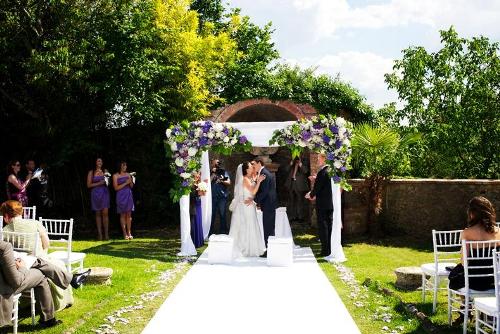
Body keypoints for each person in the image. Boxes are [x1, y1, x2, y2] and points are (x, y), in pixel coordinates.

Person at [0, 200, 74, 311]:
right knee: (55, 264)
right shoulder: (35, 223)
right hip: (37, 261)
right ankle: (62, 301)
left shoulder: (4, 231)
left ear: (6, 216)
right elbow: (46, 244)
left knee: (44, 267)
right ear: (22, 212)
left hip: (16, 266)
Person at [0, 240, 90, 329]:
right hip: (5, 287)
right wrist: (22, 268)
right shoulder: (4, 247)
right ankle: (48, 319)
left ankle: (70, 279)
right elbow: (16, 281)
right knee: (41, 274)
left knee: (36, 265)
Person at [229, 162, 266, 257]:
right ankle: (245, 248)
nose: (252, 168)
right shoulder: (245, 179)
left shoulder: (249, 178)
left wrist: (256, 180)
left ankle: (251, 247)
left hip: (249, 205)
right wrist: (259, 181)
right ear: (246, 170)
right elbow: (253, 191)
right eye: (250, 167)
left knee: (251, 224)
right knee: (247, 225)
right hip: (246, 207)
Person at [305, 153, 333, 257]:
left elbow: (317, 188)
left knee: (323, 226)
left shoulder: (322, 172)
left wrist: (311, 195)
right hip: (329, 203)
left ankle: (325, 250)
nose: (317, 160)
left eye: (318, 158)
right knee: (329, 225)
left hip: (323, 204)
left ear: (324, 159)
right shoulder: (330, 171)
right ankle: (329, 248)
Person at [251, 159, 278, 255]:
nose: (253, 166)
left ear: (259, 163)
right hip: (267, 204)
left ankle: (270, 250)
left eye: (254, 164)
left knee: (268, 228)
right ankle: (270, 249)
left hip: (269, 205)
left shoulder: (264, 174)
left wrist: (255, 200)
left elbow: (265, 192)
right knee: (268, 227)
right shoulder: (262, 173)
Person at [87, 158, 110, 240]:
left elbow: (108, 183)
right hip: (95, 194)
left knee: (105, 213)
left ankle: (106, 234)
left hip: (104, 193)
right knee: (98, 214)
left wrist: (106, 180)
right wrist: (99, 183)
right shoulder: (91, 172)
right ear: (95, 163)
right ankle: (100, 234)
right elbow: (88, 185)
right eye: (98, 161)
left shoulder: (105, 170)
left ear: (102, 163)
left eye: (101, 161)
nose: (99, 162)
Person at [284, 156, 310, 223]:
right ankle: (292, 216)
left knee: (300, 200)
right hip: (291, 184)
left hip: (300, 185)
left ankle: (300, 217)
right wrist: (291, 162)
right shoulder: (291, 162)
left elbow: (306, 171)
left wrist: (300, 164)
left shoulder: (304, 161)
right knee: (291, 200)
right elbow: (286, 170)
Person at [113, 161, 134, 240]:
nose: (125, 166)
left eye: (126, 165)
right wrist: (125, 183)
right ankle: (124, 233)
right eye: (123, 165)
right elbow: (116, 188)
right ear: (120, 166)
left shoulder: (128, 174)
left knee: (129, 214)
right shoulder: (115, 175)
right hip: (120, 196)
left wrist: (131, 180)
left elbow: (131, 186)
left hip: (128, 195)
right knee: (122, 215)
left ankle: (129, 232)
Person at [209, 159, 230, 235]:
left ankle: (223, 231)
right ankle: (210, 231)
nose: (216, 165)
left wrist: (221, 180)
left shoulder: (223, 172)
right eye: (214, 164)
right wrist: (212, 175)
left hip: (222, 197)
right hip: (212, 197)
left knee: (222, 214)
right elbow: (206, 183)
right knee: (212, 215)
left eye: (217, 164)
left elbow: (228, 182)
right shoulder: (208, 172)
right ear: (211, 164)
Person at [190, 173, 204, 248]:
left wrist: (202, 192)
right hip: (193, 204)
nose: (198, 176)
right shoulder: (191, 184)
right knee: (194, 222)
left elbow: (202, 193)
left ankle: (199, 241)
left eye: (199, 175)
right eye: (196, 175)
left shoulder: (199, 184)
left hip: (198, 204)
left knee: (198, 221)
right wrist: (197, 193)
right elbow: (191, 195)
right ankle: (194, 242)